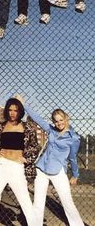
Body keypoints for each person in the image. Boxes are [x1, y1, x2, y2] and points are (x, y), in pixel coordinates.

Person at [16, 94, 85, 226]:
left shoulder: (73, 138)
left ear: (66, 118)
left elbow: (72, 158)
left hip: (58, 171)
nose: (59, 123)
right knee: (38, 203)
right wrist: (23, 104)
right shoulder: (51, 131)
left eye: (61, 120)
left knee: (67, 203)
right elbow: (38, 118)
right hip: (42, 169)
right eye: (56, 121)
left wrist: (75, 175)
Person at [0, 98, 40, 226]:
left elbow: (35, 147)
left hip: (16, 167)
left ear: (20, 112)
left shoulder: (27, 127)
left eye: (16, 110)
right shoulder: (0, 126)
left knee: (25, 202)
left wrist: (26, 158)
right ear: (7, 111)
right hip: (1, 165)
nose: (13, 113)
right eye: (10, 110)